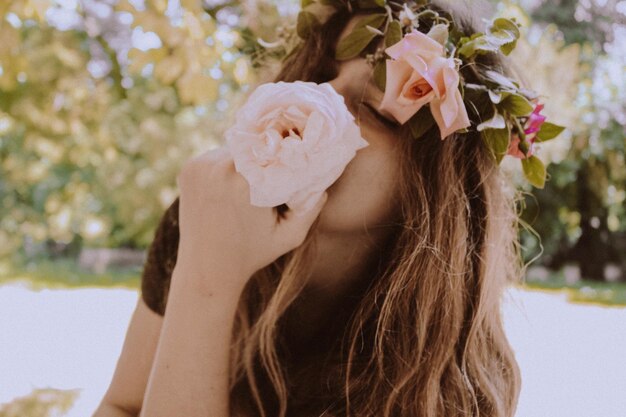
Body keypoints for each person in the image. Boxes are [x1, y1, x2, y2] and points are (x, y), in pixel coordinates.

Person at [94, 1, 529, 416]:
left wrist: (208, 284)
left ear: (435, 190)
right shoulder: (204, 220)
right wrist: (203, 269)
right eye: (317, 77)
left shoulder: (458, 387)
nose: (312, 102)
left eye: (374, 112)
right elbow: (122, 407)